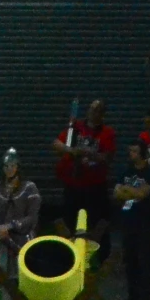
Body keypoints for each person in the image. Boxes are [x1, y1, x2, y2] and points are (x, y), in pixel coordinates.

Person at [0, 149, 41, 300]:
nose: (9, 169)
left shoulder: (29, 188)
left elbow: (32, 218)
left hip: (23, 241)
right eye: (6, 166)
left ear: (18, 167)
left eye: (12, 165)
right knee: (5, 280)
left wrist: (11, 226)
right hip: (3, 243)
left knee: (25, 280)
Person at [53, 98, 115, 237]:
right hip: (73, 184)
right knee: (69, 222)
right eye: (91, 109)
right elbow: (57, 143)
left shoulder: (107, 133)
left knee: (98, 224)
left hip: (95, 187)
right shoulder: (75, 128)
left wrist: (89, 153)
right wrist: (72, 151)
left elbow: (107, 157)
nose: (93, 113)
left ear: (102, 114)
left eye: (97, 110)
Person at [110, 140, 150, 300]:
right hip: (127, 221)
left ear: (142, 154)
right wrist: (129, 192)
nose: (131, 155)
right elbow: (116, 194)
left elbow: (142, 194)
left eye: (135, 151)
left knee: (144, 262)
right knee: (130, 261)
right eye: (130, 151)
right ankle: (132, 296)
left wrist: (127, 190)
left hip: (144, 223)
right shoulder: (125, 171)